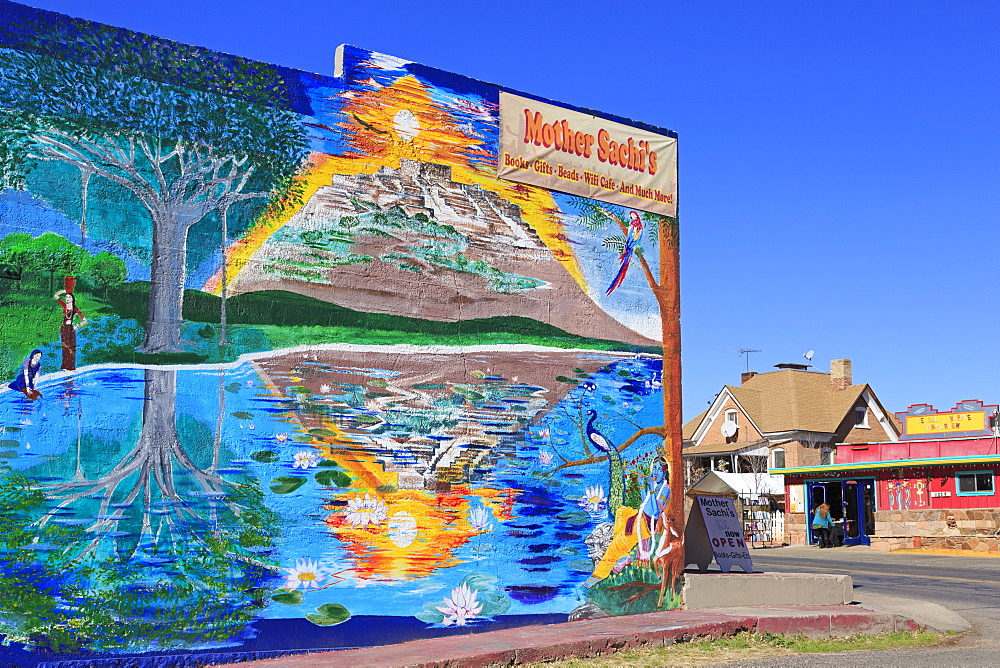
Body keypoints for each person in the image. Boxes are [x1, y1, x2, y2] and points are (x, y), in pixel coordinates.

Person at [54, 288, 87, 371]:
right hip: (64, 328)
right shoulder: (64, 306)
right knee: (65, 347)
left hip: (71, 329)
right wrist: (64, 291)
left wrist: (77, 326)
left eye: (69, 297)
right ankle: (65, 366)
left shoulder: (75, 309)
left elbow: (85, 320)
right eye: (66, 297)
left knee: (72, 347)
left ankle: (71, 367)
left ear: (72, 299)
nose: (67, 299)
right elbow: (56, 295)